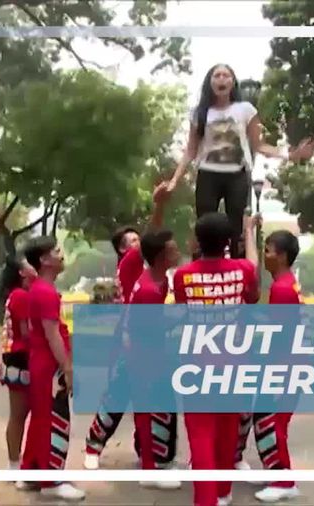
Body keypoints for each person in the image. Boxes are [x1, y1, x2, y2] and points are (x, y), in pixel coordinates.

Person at [165, 63, 314, 258]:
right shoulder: (200, 112)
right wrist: (174, 180)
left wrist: (292, 154)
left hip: (237, 175)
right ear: (209, 82)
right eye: (216, 75)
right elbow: (190, 150)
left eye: (226, 75)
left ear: (233, 82)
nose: (221, 79)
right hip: (208, 174)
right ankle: (201, 268)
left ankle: (237, 268)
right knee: (204, 225)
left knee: (235, 228)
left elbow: (260, 145)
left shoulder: (245, 110)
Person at [172, 212, 261, 506]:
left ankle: (206, 499)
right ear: (228, 242)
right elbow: (254, 285)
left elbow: (184, 308)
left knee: (200, 436)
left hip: (196, 365)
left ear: (198, 240)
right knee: (227, 432)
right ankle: (223, 492)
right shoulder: (242, 270)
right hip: (235, 365)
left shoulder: (183, 276)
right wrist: (249, 232)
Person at [84, 183, 173, 470]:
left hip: (152, 341)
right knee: (118, 395)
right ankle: (92, 446)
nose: (138, 243)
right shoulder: (130, 265)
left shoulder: (154, 272)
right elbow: (153, 235)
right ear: (124, 250)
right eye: (132, 241)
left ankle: (152, 451)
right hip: (130, 341)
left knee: (156, 398)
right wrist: (159, 205)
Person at [20, 236, 86, 501]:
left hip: (41, 362)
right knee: (55, 420)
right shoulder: (45, 292)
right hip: (48, 364)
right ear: (45, 260)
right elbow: (52, 335)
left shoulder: (39, 289)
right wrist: (67, 368)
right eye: (56, 251)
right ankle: (51, 481)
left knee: (41, 419)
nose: (61, 255)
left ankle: (33, 472)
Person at [127, 229, 183, 490]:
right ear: (162, 256)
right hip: (145, 354)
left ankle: (152, 461)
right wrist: (181, 317)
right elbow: (150, 327)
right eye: (173, 249)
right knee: (146, 411)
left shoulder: (157, 280)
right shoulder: (149, 289)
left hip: (149, 351)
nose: (178, 251)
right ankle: (148, 468)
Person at [252, 230, 303, 503]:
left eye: (269, 250)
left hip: (285, 365)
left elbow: (280, 332)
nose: (265, 255)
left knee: (273, 421)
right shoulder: (285, 283)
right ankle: (274, 470)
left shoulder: (282, 288)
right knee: (268, 417)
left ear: (282, 256)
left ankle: (285, 481)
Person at [0, 255, 37, 472]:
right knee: (19, 415)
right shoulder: (21, 296)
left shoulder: (19, 294)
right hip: (20, 359)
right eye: (29, 264)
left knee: (20, 414)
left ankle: (18, 462)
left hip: (17, 358)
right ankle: (14, 464)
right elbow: (26, 332)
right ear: (22, 272)